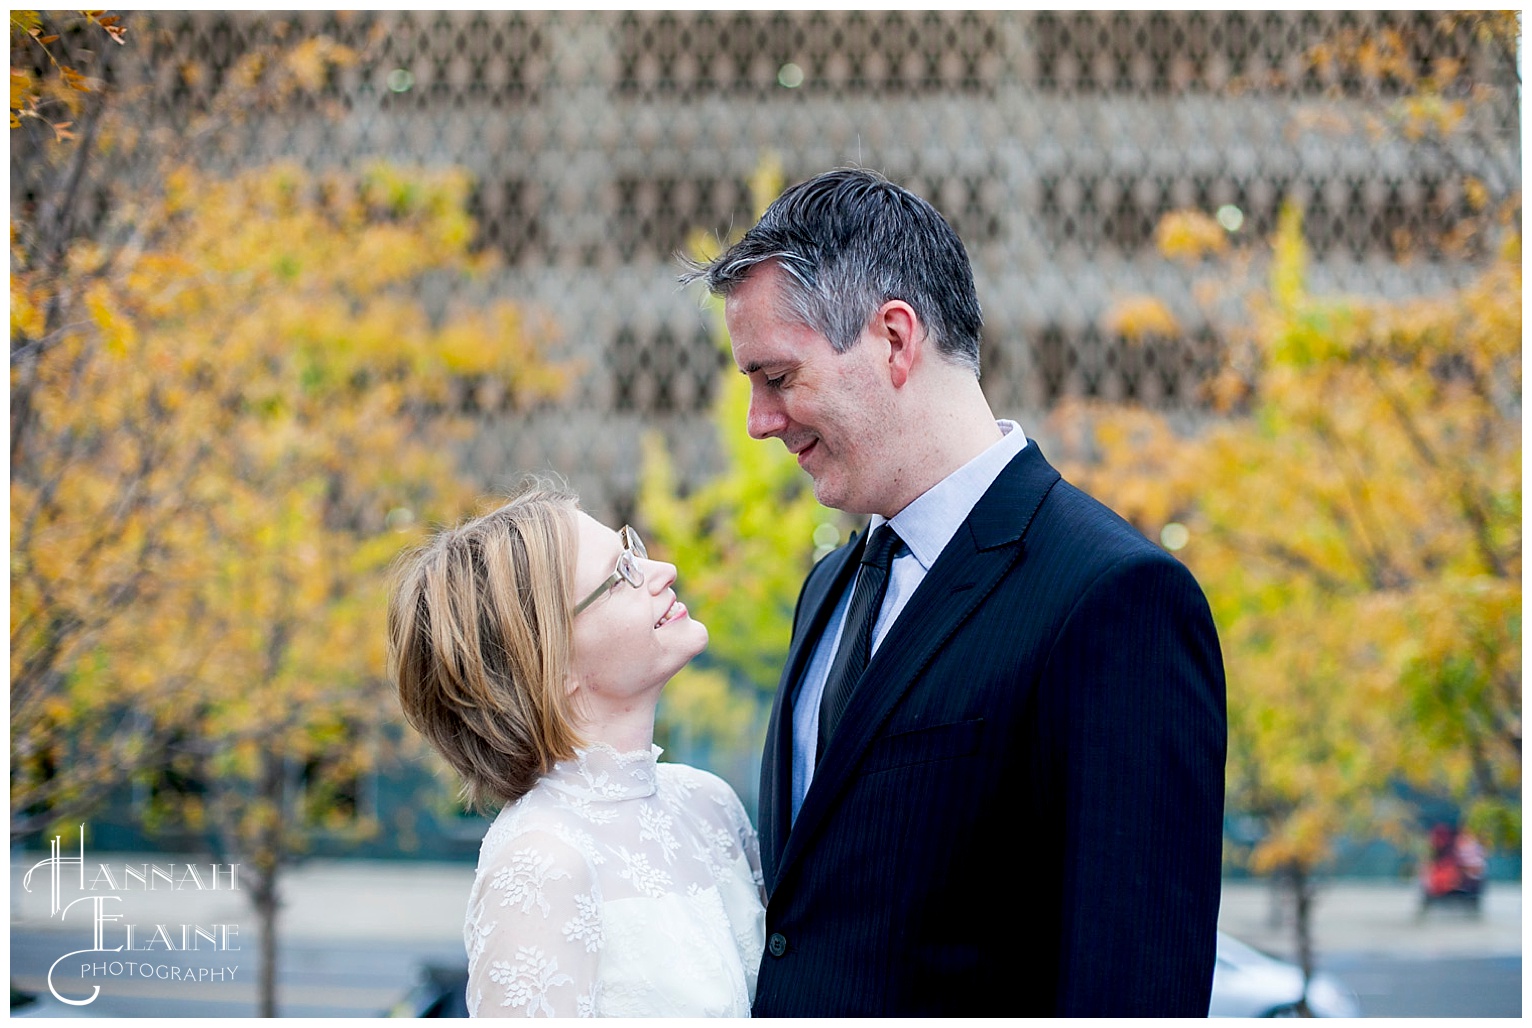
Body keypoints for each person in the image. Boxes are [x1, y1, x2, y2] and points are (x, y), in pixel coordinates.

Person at [688, 168, 1228, 1015]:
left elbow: (1135, 990)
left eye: (778, 378)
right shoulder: (827, 587)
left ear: (895, 341)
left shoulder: (1113, 599)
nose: (758, 421)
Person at [387, 482, 765, 1017]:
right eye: (622, 575)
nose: (662, 572)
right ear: (550, 664)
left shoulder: (711, 805)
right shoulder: (540, 865)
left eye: (632, 548)